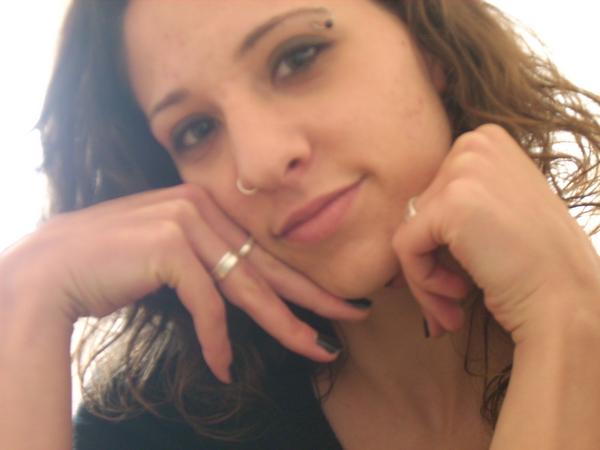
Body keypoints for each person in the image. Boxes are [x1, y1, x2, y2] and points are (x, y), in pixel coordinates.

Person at [1, 0, 600, 448]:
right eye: (197, 130)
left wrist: (570, 322)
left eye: (298, 57)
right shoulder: (150, 429)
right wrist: (26, 300)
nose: (260, 162)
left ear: (429, 42)